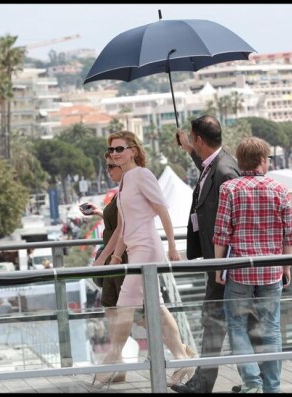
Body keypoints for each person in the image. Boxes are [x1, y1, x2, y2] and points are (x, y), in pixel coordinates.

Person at [91, 130, 194, 389]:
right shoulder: (126, 180)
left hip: (147, 249)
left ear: (133, 150)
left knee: (125, 305)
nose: (115, 154)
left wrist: (172, 246)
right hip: (134, 249)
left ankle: (112, 360)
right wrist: (115, 255)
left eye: (120, 149)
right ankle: (183, 358)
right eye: (112, 150)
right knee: (155, 307)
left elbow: (162, 211)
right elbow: (124, 224)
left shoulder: (143, 175)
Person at [214, 137, 292, 394]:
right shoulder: (280, 189)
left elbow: (221, 233)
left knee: (237, 326)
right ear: (262, 160)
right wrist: (286, 267)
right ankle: (273, 388)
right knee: (271, 329)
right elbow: (289, 234)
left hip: (240, 270)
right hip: (272, 270)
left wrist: (219, 268)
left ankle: (252, 383)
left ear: (240, 161)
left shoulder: (229, 189)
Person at [171, 115, 243, 394]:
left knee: (223, 319)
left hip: (225, 264)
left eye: (193, 139)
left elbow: (237, 219)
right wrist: (188, 148)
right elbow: (205, 169)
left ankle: (251, 381)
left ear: (200, 139)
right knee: (216, 318)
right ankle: (209, 383)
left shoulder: (226, 171)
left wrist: (223, 265)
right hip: (218, 261)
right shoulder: (216, 164)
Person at [80, 152, 129, 382]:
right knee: (112, 306)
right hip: (114, 260)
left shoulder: (128, 188)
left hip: (121, 259)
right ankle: (117, 364)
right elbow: (115, 225)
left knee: (142, 313)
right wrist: (100, 212)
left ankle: (180, 351)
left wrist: (105, 258)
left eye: (112, 166)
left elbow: (122, 229)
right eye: (107, 166)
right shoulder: (119, 190)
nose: (109, 170)